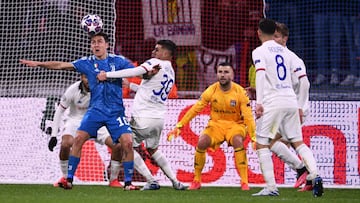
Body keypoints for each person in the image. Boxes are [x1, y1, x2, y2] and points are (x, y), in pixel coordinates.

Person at [19, 32, 139, 190]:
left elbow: (138, 71)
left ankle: (127, 183)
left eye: (99, 42)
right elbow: (61, 65)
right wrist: (39, 64)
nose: (96, 45)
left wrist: (151, 71)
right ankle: (68, 179)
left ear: (107, 45)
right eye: (93, 42)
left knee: (127, 143)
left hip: (115, 112)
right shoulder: (86, 63)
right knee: (77, 139)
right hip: (95, 112)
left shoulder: (118, 61)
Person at [97, 39, 186, 190]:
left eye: (157, 50)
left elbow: (135, 71)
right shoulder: (170, 70)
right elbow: (149, 91)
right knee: (153, 149)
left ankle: (151, 180)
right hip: (158, 119)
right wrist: (130, 85)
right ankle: (176, 182)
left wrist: (109, 75)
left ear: (165, 53)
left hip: (143, 117)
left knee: (125, 146)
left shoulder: (155, 63)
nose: (153, 52)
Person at [251, 18, 323, 197]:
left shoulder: (259, 51)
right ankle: (313, 174)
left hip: (273, 103)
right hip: (290, 101)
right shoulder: (286, 53)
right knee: (298, 142)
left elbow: (261, 75)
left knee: (261, 144)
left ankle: (271, 187)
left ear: (259, 32)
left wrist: (259, 101)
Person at [166, 62, 256, 191]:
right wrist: (179, 126)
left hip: (235, 125)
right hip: (216, 125)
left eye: (226, 72)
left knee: (237, 140)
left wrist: (253, 137)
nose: (223, 75)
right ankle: (196, 180)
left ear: (232, 75)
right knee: (202, 142)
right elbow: (195, 109)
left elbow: (248, 116)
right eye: (220, 72)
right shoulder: (211, 90)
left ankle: (244, 182)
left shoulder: (240, 92)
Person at [49, 74, 124, 188]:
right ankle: (65, 177)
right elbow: (59, 111)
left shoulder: (104, 89)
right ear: (81, 77)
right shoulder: (73, 89)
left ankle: (113, 180)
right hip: (76, 121)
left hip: (98, 121)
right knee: (65, 144)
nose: (89, 80)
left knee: (117, 145)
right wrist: (54, 135)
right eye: (86, 77)